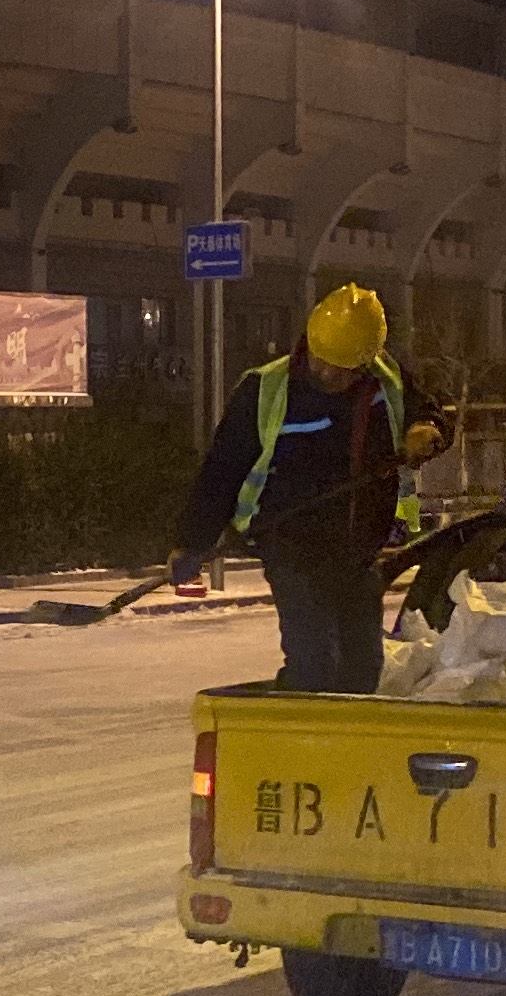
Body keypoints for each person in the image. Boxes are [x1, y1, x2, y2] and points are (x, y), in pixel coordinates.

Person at [169, 283, 443, 693]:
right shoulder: (266, 390)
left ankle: (343, 752)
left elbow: (430, 413)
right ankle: (295, 740)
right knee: (315, 662)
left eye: (342, 367)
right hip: (292, 545)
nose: (327, 374)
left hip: (358, 549)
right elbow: (221, 472)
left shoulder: (388, 382)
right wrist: (192, 543)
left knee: (362, 667)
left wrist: (428, 429)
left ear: (367, 363)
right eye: (321, 361)